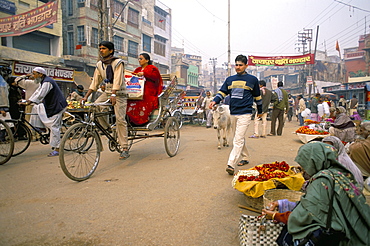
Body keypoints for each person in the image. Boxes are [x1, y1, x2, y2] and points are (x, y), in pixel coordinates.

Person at [262, 142, 370, 246]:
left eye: (304, 165)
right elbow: (316, 205)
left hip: (340, 238)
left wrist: (275, 216)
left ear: (314, 161)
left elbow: (305, 217)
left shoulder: (321, 182)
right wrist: (281, 204)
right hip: (360, 233)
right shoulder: (340, 174)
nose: (303, 170)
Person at [209, 54, 262, 175]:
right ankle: (245, 157)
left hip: (246, 113)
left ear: (246, 66)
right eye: (236, 65)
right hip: (233, 112)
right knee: (239, 137)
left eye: (240, 65)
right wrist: (214, 101)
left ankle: (231, 164)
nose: (238, 67)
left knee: (237, 139)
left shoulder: (253, 80)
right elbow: (222, 92)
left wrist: (260, 111)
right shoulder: (230, 80)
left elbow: (258, 97)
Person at [82, 41, 129, 160]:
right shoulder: (99, 64)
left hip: (119, 93)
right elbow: (95, 82)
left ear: (111, 50)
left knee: (120, 119)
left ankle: (124, 147)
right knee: (96, 106)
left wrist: (114, 93)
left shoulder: (118, 62)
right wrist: (86, 96)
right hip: (107, 92)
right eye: (100, 48)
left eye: (104, 48)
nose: (101, 50)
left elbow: (118, 79)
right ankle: (108, 128)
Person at [20, 67, 68, 157]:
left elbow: (41, 94)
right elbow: (37, 92)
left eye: (34, 74)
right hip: (51, 105)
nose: (33, 76)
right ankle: (41, 127)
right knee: (36, 108)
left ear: (40, 74)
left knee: (54, 127)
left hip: (57, 106)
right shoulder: (42, 82)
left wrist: (30, 101)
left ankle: (57, 149)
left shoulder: (47, 82)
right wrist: (28, 101)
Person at [126, 53, 163, 126]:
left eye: (141, 59)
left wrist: (144, 74)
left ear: (147, 60)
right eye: (139, 59)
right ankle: (132, 120)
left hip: (149, 91)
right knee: (130, 99)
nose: (139, 60)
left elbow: (156, 78)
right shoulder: (138, 69)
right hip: (137, 90)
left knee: (146, 98)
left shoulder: (152, 68)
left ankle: (144, 120)